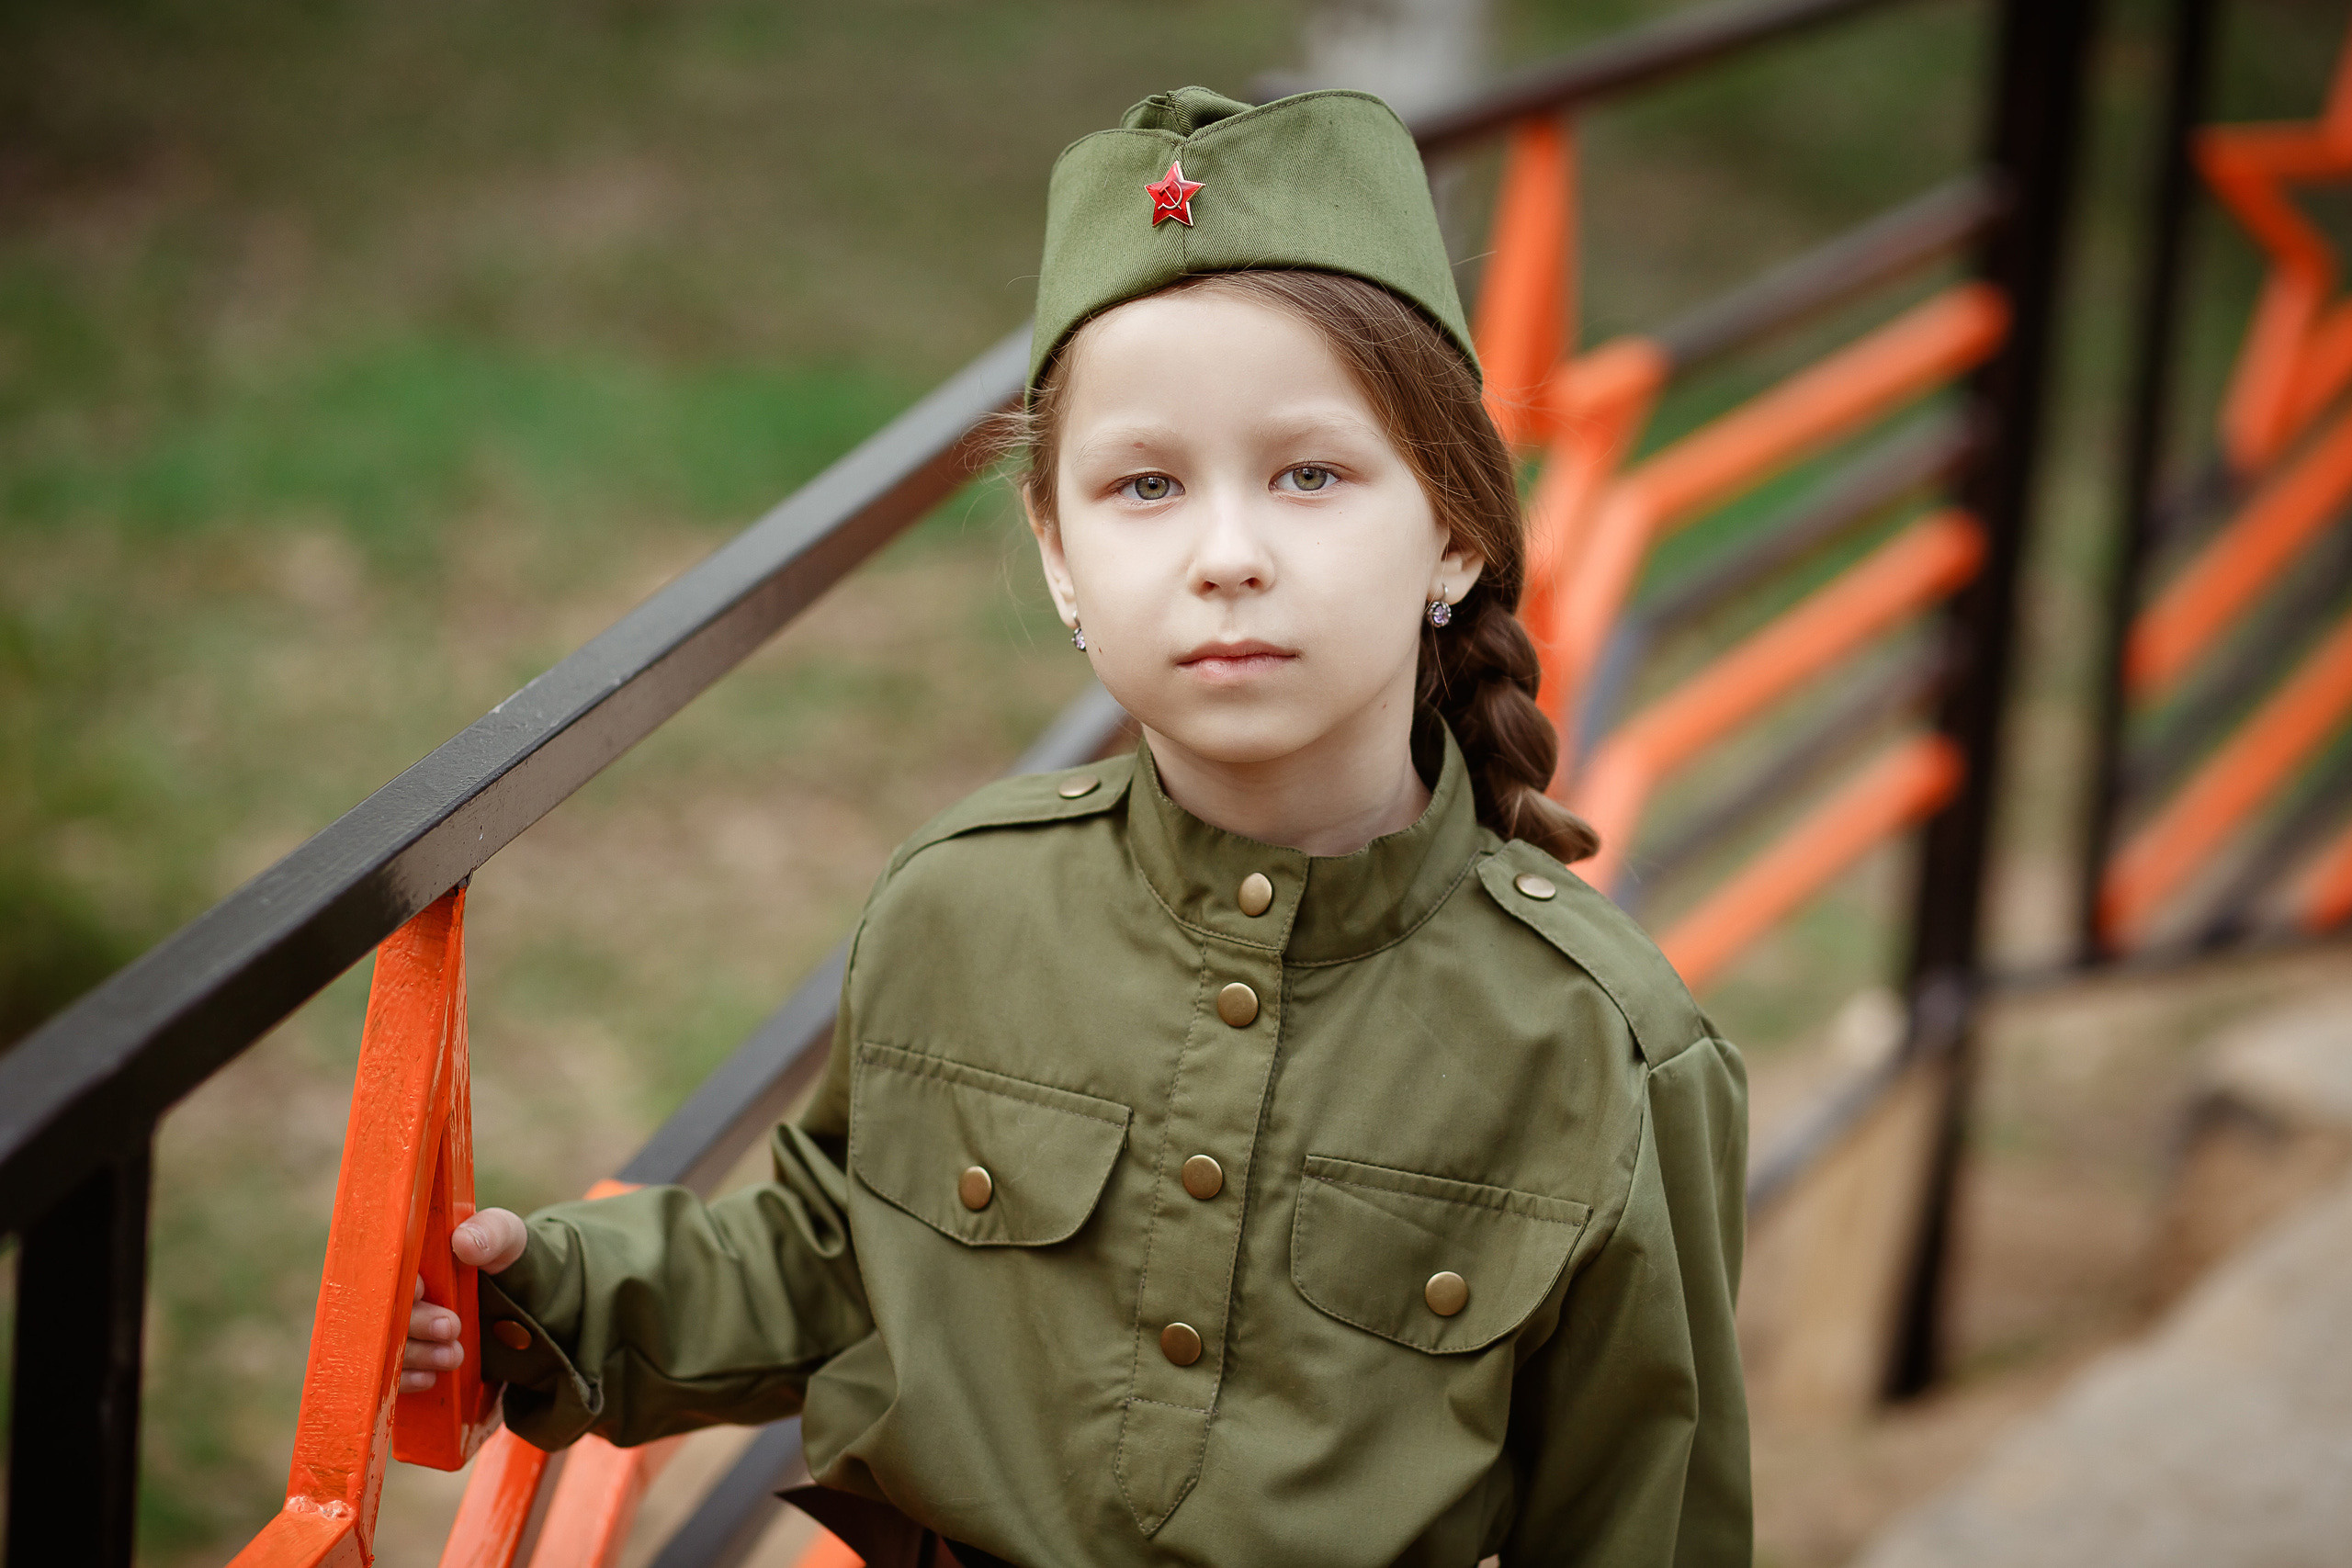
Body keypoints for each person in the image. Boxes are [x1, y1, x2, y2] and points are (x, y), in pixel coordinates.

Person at [401, 85, 1750, 1566]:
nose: (1226, 556)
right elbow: (837, 1255)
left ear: (1453, 528)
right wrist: (545, 1301)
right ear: (1058, 553)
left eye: (1310, 474)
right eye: (1145, 486)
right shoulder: (961, 907)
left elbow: (1648, 1523)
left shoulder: (1602, 1051)